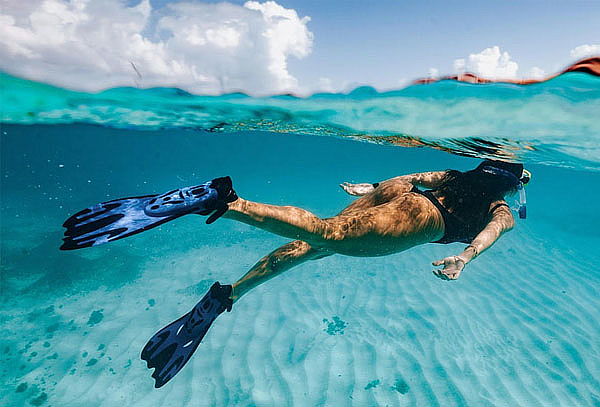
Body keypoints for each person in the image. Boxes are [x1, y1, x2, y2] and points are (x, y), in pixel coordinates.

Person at [61, 159, 530, 388]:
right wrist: (463, 259)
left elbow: (412, 178)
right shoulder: (502, 208)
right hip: (421, 220)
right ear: (513, 184)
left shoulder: (453, 173)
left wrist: (372, 189)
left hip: (396, 198)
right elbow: (489, 233)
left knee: (310, 246)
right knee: (329, 235)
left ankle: (230, 295)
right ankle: (224, 202)